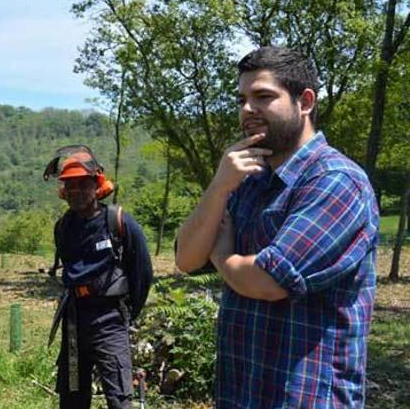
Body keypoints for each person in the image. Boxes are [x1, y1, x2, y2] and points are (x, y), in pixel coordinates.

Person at [175, 46, 379, 407]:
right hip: (242, 392)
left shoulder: (336, 181)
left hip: (307, 396)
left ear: (305, 102)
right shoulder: (247, 181)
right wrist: (220, 185)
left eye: (263, 96)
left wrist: (223, 257)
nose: (247, 109)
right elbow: (187, 258)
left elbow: (269, 281)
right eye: (242, 99)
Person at [43, 145, 153, 409]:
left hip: (109, 320)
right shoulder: (63, 227)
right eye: (70, 185)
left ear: (97, 185)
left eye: (83, 184)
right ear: (63, 190)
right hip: (74, 319)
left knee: (119, 396)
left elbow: (143, 274)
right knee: (72, 394)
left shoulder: (118, 222)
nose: (76, 191)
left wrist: (127, 313)